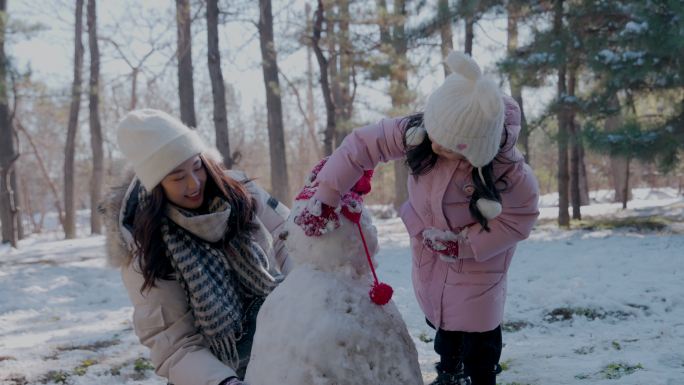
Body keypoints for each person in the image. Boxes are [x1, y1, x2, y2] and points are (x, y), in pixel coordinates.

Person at [294, 52, 540, 385]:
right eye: (435, 133)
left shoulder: (510, 173)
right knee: (443, 320)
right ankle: (448, 372)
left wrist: (465, 246)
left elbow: (519, 219)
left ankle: (480, 377)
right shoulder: (421, 131)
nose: (436, 144)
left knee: (478, 331)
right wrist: (326, 197)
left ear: (477, 149)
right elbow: (360, 146)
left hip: (480, 263)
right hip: (430, 252)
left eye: (450, 147)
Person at [103, 109, 292, 385]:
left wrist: (305, 293)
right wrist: (224, 382)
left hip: (278, 337)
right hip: (212, 371)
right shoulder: (146, 246)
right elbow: (174, 345)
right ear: (156, 186)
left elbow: (291, 237)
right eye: (177, 177)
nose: (193, 183)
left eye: (197, 166)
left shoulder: (240, 193)